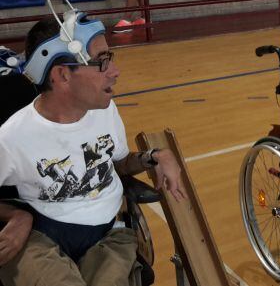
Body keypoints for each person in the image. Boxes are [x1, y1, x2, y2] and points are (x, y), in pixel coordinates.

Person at [0, 15, 187, 286]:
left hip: (110, 234)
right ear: (62, 75)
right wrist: (16, 216)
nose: (114, 71)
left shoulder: (104, 110)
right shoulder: (14, 136)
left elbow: (119, 163)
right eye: (101, 61)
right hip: (42, 235)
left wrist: (155, 156)